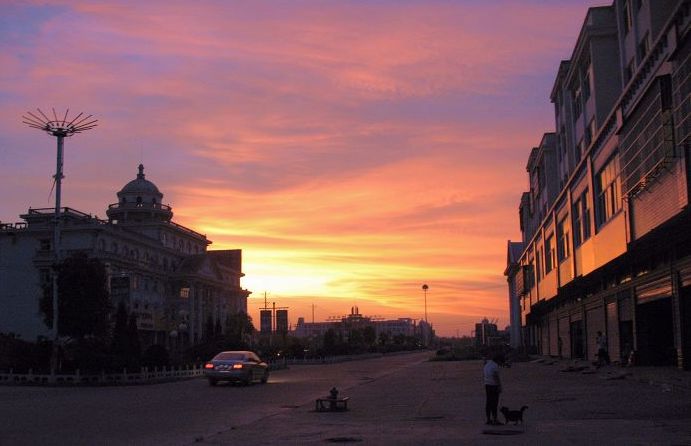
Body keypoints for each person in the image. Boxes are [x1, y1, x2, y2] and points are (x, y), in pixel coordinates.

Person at [483, 352, 502, 425]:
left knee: (488, 402)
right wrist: (499, 386)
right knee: (494, 403)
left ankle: (488, 419)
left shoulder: (487, 364)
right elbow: (495, 376)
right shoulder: (495, 366)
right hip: (493, 385)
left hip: (487, 385)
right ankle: (495, 419)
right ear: (498, 360)